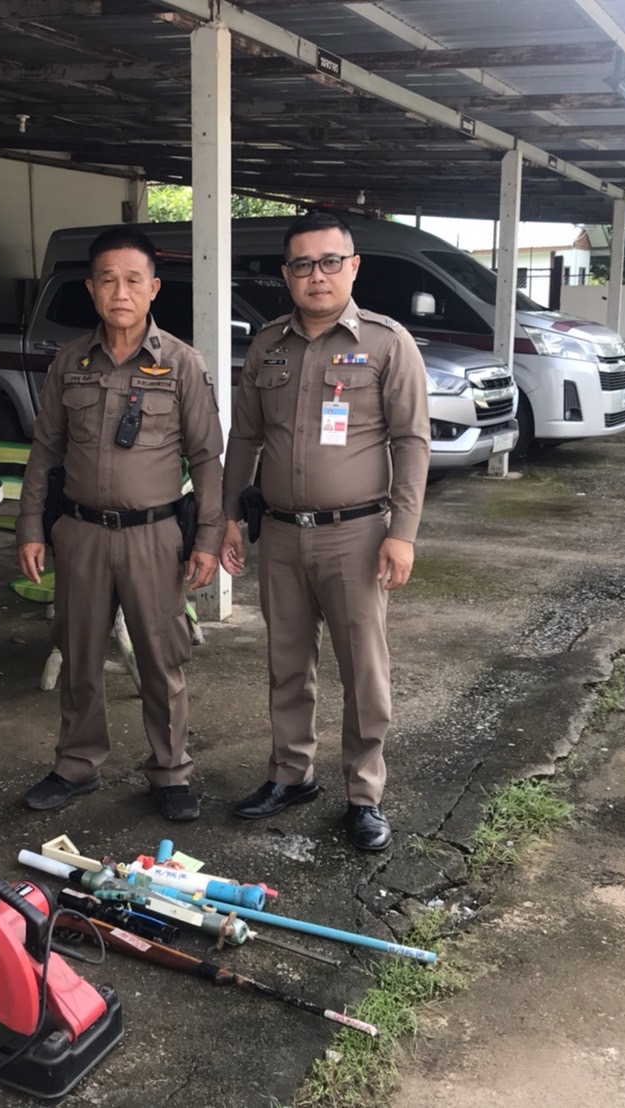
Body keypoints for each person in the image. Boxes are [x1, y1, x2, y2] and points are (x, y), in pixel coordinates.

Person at [219, 210, 429, 851]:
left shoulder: (387, 343)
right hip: (281, 534)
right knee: (287, 663)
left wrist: (403, 531)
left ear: (353, 266)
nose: (317, 275)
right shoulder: (268, 345)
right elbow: (245, 437)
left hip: (356, 536)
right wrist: (229, 516)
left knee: (363, 671)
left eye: (330, 261)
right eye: (303, 264)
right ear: (287, 274)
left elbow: (412, 440)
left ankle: (364, 794)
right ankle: (291, 774)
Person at [16, 227, 224, 822]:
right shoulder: (70, 363)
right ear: (91, 288)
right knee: (78, 652)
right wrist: (31, 526)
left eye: (134, 279)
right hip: (80, 532)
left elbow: (207, 458)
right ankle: (77, 764)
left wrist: (208, 538)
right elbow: (46, 452)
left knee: (161, 658)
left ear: (154, 288)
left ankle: (171, 771)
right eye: (107, 279)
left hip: (153, 536)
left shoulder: (181, 364)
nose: (120, 291)